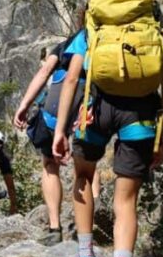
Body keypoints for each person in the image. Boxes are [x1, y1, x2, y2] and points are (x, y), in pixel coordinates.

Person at [52, 0, 163, 257]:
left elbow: (71, 79)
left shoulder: (92, 30)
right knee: (126, 200)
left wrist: (60, 130)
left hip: (95, 111)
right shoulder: (153, 32)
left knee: (83, 177)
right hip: (140, 116)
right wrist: (162, 137)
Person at [13, 27, 100, 240]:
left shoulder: (68, 44)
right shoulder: (108, 41)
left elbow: (44, 72)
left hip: (58, 103)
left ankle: (55, 228)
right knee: (87, 165)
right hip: (90, 105)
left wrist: (24, 105)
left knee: (50, 163)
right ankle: (93, 220)